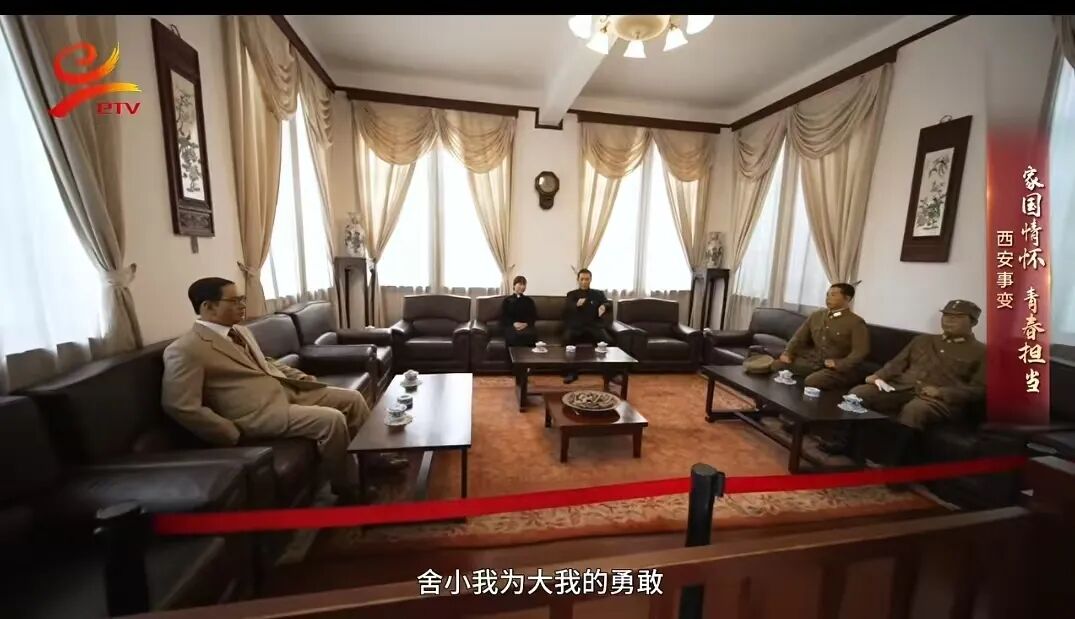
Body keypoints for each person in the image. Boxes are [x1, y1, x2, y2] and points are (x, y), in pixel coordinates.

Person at [160, 277, 403, 505]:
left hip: (286, 391)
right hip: (256, 414)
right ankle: (347, 487)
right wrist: (228, 432)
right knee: (332, 420)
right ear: (208, 307)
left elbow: (266, 362)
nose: (242, 305)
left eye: (242, 299)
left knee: (352, 399)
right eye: (234, 301)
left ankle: (373, 460)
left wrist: (301, 378)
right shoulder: (186, 350)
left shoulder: (240, 331)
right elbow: (179, 404)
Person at [850, 299, 986, 431]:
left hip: (937, 399)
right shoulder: (922, 340)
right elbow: (897, 364)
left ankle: (898, 447)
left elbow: (979, 389)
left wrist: (942, 392)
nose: (949, 320)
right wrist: (878, 376)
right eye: (946, 315)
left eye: (958, 317)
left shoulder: (982, 351)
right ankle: (846, 439)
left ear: (973, 322)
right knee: (858, 393)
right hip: (901, 388)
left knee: (915, 410)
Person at [770, 283, 870, 389]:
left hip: (837, 368)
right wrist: (788, 352)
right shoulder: (816, 315)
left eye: (833, 295)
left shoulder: (855, 322)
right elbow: (799, 337)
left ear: (847, 298)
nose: (828, 298)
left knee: (813, 381)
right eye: (827, 295)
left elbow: (860, 352)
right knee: (777, 365)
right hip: (814, 362)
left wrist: (839, 364)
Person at [562, 268, 612, 383]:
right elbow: (566, 308)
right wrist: (576, 305)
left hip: (594, 326)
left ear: (590, 280)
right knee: (567, 340)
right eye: (582, 279)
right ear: (578, 280)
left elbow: (608, 303)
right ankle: (571, 372)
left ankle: (609, 373)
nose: (584, 282)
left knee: (608, 341)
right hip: (576, 327)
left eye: (587, 279)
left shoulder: (598, 294)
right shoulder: (571, 294)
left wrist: (604, 306)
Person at [501, 275, 537, 348]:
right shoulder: (507, 300)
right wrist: (514, 323)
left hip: (526, 326)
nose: (522, 286)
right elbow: (504, 316)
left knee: (531, 335)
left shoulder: (529, 301)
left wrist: (526, 324)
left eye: (524, 284)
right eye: (520, 284)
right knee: (512, 336)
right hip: (511, 326)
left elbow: (533, 316)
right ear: (514, 285)